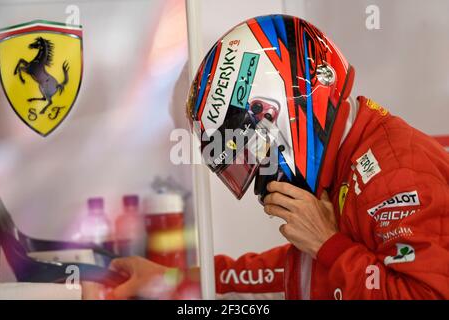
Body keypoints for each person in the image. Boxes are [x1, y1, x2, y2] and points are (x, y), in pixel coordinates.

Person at [110, 15, 449, 300]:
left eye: (252, 149)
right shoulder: (348, 160)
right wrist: (176, 278)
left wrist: (328, 244)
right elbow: (295, 271)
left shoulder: (392, 174)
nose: (258, 171)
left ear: (280, 114)